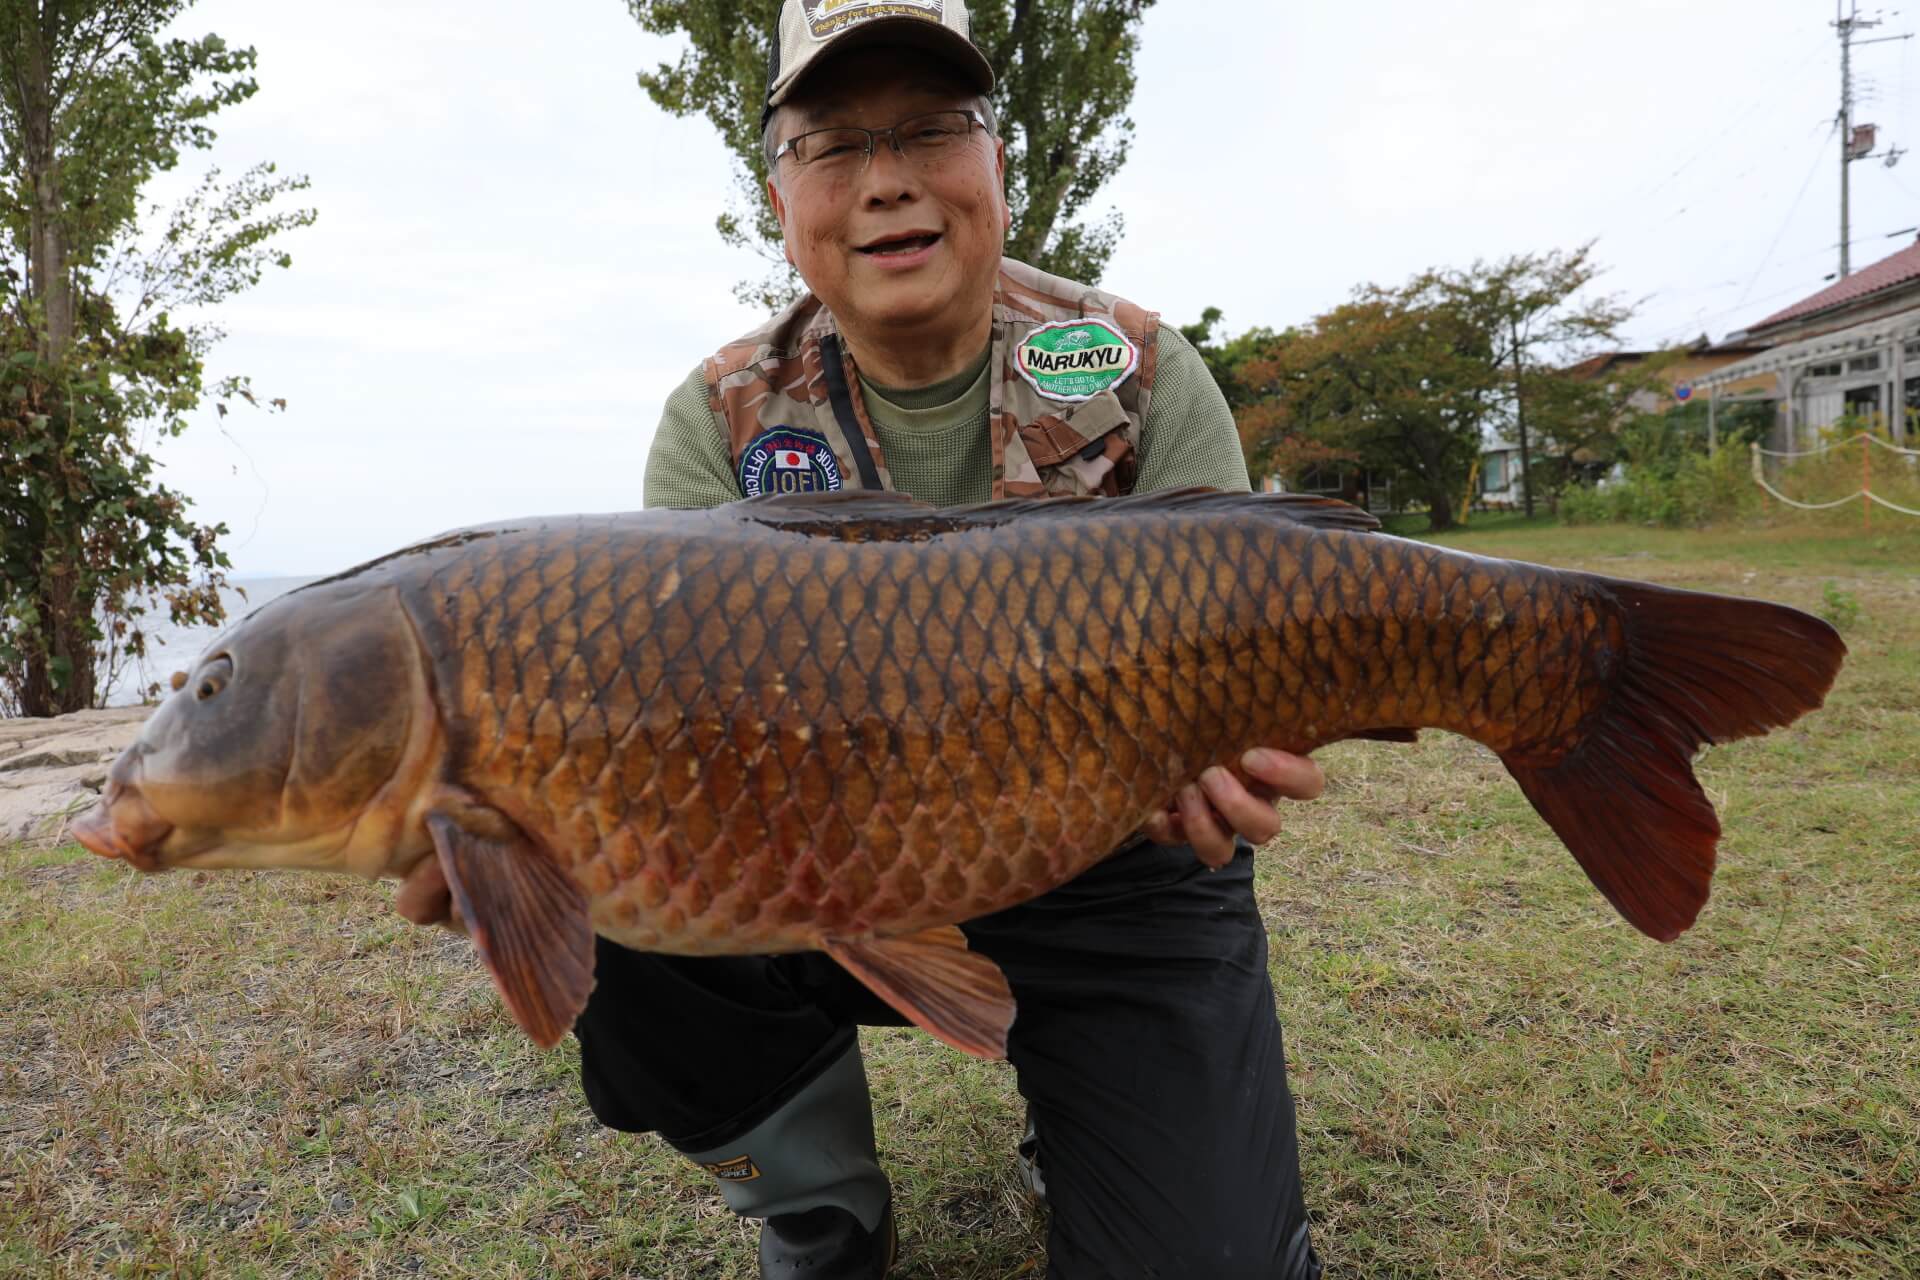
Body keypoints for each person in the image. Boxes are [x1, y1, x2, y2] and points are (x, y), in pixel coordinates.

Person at [399, 3, 1327, 1275]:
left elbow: (1255, 630)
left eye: (932, 130)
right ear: (781, 195)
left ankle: (1097, 1106)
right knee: (621, 927)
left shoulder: (1138, 369)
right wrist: (525, 845)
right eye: (834, 144)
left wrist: (1235, 754)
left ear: (998, 158)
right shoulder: (723, 418)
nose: (887, 180)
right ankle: (816, 1194)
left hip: (1120, 864)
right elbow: (675, 738)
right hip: (823, 856)